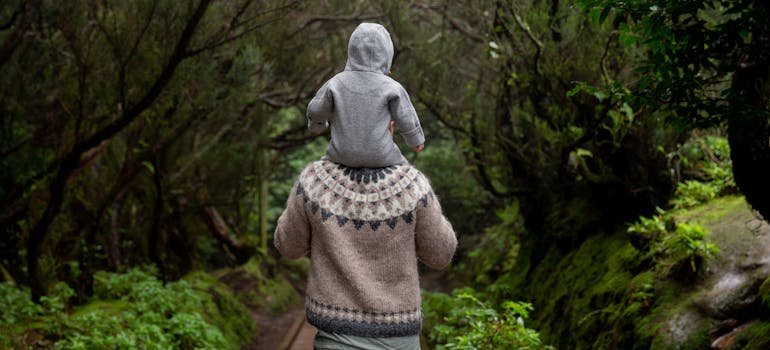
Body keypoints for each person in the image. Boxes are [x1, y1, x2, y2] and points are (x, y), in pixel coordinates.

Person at [273, 158, 457, 349]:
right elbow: (441, 255)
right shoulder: (411, 183)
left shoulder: (314, 180)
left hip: (335, 338)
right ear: (390, 127)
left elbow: (289, 247)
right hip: (398, 339)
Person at [306, 22, 425, 168]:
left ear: (352, 50)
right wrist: (416, 140)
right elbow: (406, 116)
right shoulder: (392, 86)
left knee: (320, 169)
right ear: (387, 55)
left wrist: (317, 126)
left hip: (340, 155)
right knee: (407, 174)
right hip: (382, 157)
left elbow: (316, 109)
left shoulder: (336, 82)